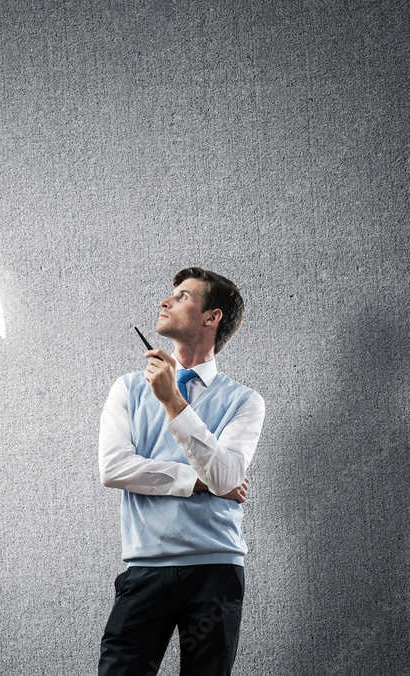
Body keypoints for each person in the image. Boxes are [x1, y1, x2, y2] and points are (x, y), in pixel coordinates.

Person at [97, 267, 265, 676]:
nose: (165, 301)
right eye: (170, 294)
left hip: (216, 571)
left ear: (213, 317)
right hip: (146, 567)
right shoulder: (128, 388)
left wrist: (173, 401)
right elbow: (114, 468)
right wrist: (199, 480)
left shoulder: (245, 401)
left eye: (183, 296)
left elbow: (228, 479)